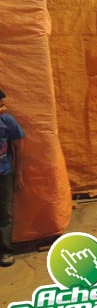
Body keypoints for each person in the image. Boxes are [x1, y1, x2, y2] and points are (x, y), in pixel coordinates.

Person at [0, 90, 25, 267]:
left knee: (5, 213)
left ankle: (5, 250)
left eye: (3, 105)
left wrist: (19, 174)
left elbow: (20, 146)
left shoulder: (7, 122)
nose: (4, 108)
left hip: (4, 174)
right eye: (0, 106)